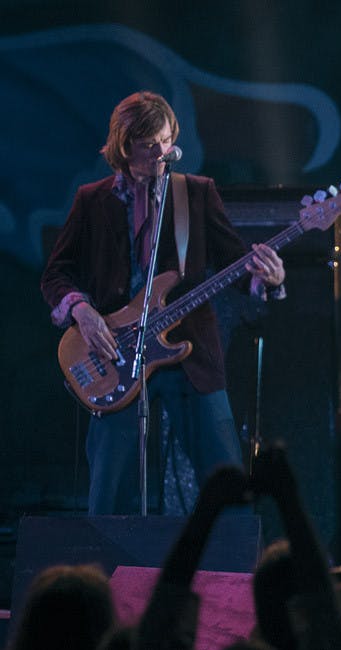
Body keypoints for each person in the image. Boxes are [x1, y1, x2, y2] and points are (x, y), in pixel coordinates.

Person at [40, 91, 286, 515]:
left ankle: (231, 578)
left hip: (189, 351)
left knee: (227, 480)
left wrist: (270, 280)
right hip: (114, 354)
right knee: (107, 495)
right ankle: (107, 579)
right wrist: (84, 313)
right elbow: (55, 274)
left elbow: (236, 263)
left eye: (167, 140)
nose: (162, 152)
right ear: (124, 145)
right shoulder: (91, 200)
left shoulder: (196, 193)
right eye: (149, 144)